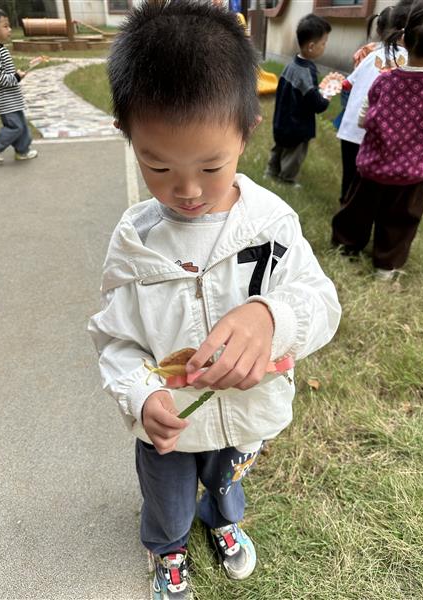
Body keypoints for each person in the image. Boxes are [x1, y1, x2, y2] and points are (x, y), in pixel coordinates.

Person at [88, 2, 341, 598]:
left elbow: (321, 301)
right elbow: (116, 339)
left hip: (248, 414)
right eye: (156, 165)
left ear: (248, 130)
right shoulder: (134, 243)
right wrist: (141, 394)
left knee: (228, 484)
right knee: (167, 498)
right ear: (128, 135)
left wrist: (272, 316)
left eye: (211, 165)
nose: (187, 190)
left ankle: (221, 523)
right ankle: (169, 549)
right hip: (170, 424)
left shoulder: (271, 224)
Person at [332, 0, 423, 281]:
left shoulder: (384, 81)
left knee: (358, 209)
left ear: (404, 38)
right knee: (401, 219)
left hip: (373, 165)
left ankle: (346, 246)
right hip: (411, 173)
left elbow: (363, 118)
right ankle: (386, 265)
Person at [336, 6, 408, 204]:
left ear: (378, 29)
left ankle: (345, 204)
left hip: (351, 128)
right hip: (379, 132)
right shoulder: (408, 60)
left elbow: (347, 84)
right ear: (406, 30)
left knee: (350, 174)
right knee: (370, 181)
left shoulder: (370, 56)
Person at [265, 13, 331, 186]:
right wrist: (326, 96)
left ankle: (271, 171)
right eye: (323, 43)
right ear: (311, 46)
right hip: (297, 126)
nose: (325, 47)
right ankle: (286, 179)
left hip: (281, 122)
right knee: (294, 154)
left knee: (279, 147)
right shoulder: (306, 72)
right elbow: (316, 104)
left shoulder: (290, 65)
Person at [0, 6, 37, 163]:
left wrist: (17, 75)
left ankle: (22, 151)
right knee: (15, 126)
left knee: (21, 125)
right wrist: (14, 77)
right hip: (5, 100)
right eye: (5, 26)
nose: (10, 30)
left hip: (12, 98)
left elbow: (4, 72)